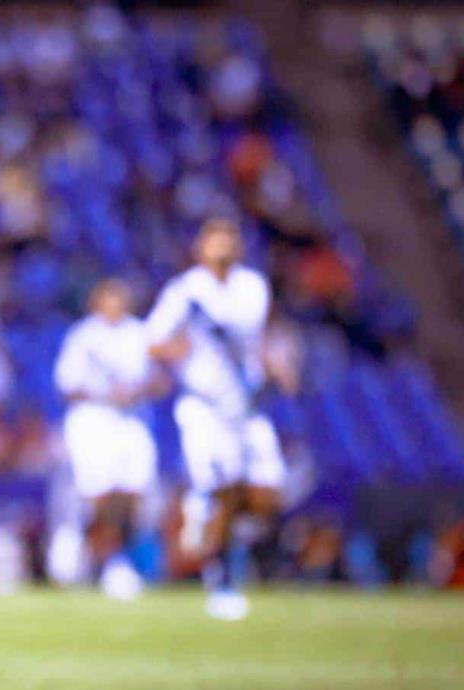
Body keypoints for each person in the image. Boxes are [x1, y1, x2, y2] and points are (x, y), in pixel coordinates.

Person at [146, 217, 294, 620]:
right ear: (200, 247)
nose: (223, 246)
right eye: (215, 240)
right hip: (206, 406)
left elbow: (264, 336)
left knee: (267, 497)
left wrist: (278, 363)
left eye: (230, 239)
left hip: (248, 405)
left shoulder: (253, 287)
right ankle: (223, 575)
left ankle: (204, 507)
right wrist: (183, 349)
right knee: (226, 487)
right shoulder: (186, 291)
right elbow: (154, 342)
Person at [52, 278, 163, 599]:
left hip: (132, 421)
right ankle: (108, 560)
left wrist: (136, 392)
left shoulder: (140, 334)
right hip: (95, 420)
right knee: (100, 494)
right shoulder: (83, 336)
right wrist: (105, 394)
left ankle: (110, 555)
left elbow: (159, 380)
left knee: (132, 494)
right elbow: (67, 385)